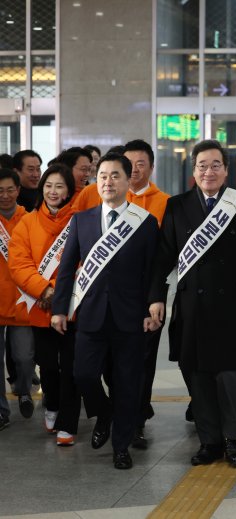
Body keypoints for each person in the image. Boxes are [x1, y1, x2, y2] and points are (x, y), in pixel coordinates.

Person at [148, 139, 236, 468]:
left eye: (216, 165)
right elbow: (162, 258)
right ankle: (209, 441)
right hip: (192, 307)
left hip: (231, 305)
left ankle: (231, 439)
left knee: (228, 378)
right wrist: (155, 296)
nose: (209, 171)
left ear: (226, 170)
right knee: (197, 376)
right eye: (202, 165)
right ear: (194, 170)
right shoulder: (177, 205)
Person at [51, 153, 159, 470]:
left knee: (127, 383)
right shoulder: (81, 221)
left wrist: (152, 304)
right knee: (83, 374)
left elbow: (153, 271)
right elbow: (67, 268)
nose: (107, 182)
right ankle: (104, 413)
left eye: (114, 176)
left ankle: (121, 447)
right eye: (102, 176)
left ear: (128, 181)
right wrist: (60, 309)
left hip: (130, 316)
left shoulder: (145, 222)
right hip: (91, 315)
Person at [8, 164, 80, 445]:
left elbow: (85, 263)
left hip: (73, 309)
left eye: (60, 186)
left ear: (69, 191)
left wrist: (62, 295)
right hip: (41, 308)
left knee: (72, 366)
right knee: (48, 364)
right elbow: (19, 264)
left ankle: (68, 423)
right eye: (48, 185)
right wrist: (45, 291)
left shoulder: (80, 220)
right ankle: (51, 404)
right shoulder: (27, 222)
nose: (53, 191)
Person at [0, 169, 35, 430]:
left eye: (10, 189)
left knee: (24, 357)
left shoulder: (29, 220)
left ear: (18, 190)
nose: (5, 196)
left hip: (23, 301)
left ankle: (23, 389)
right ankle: (2, 411)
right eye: (0, 191)